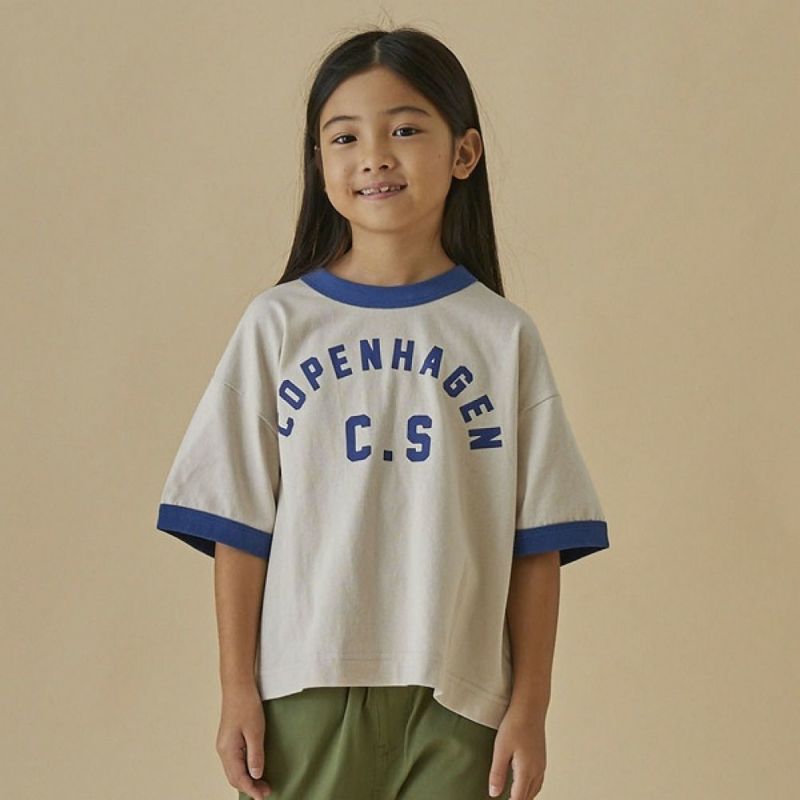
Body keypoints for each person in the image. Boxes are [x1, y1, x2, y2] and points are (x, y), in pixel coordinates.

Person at [155, 25, 610, 800]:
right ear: (319, 161)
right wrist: (237, 689)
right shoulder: (277, 325)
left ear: (464, 152)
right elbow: (238, 523)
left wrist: (530, 708)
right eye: (345, 137)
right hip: (304, 685)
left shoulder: (502, 336)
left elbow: (536, 541)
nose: (374, 156)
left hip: (460, 697)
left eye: (403, 129)